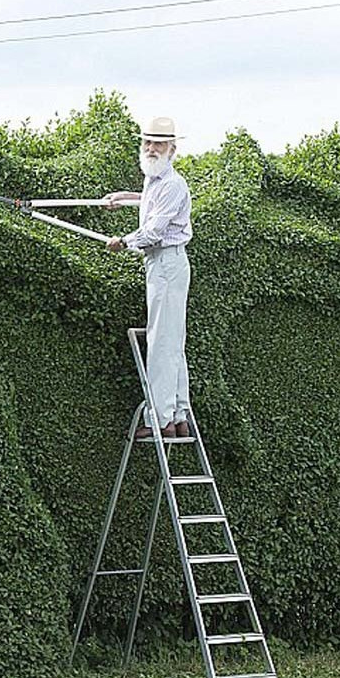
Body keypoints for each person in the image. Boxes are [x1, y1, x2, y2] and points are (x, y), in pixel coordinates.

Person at [104, 116, 192, 440]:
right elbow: (151, 201)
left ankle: (161, 420)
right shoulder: (156, 179)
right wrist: (124, 198)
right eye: (148, 142)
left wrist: (123, 242)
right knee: (172, 341)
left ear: (172, 149)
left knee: (161, 342)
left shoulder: (173, 184)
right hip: (164, 263)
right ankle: (179, 416)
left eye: (158, 143)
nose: (152, 148)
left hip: (166, 263)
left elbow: (153, 231)